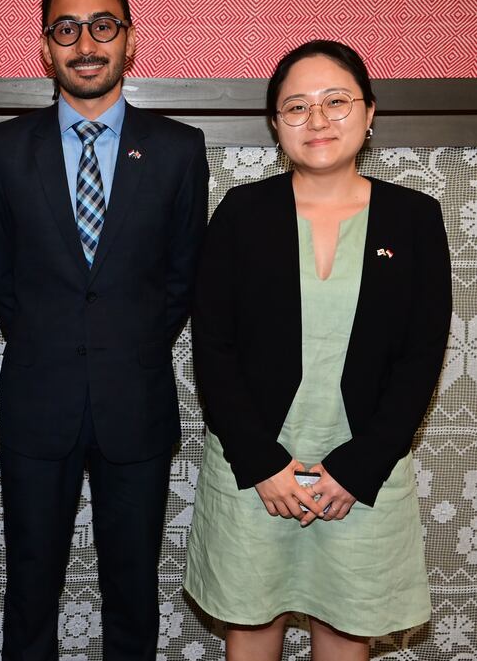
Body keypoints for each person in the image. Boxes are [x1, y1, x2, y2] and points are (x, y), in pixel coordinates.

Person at [184, 39, 452, 661]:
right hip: (256, 469)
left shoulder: (414, 218)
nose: (318, 120)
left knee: (345, 624)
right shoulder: (242, 212)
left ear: (369, 112)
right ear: (276, 124)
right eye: (296, 107)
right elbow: (213, 347)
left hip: (363, 470)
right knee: (250, 623)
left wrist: (358, 469)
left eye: (336, 101)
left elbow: (421, 358)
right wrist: (261, 464)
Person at [0, 0, 208, 660]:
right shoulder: (3, 149)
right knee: (29, 593)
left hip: (134, 403)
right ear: (45, 47)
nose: (86, 43)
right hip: (36, 403)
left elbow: (180, 281)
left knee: (133, 595)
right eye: (67, 28)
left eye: (102, 25)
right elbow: (2, 280)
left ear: (129, 39)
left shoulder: (177, 149)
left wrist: (120, 343)